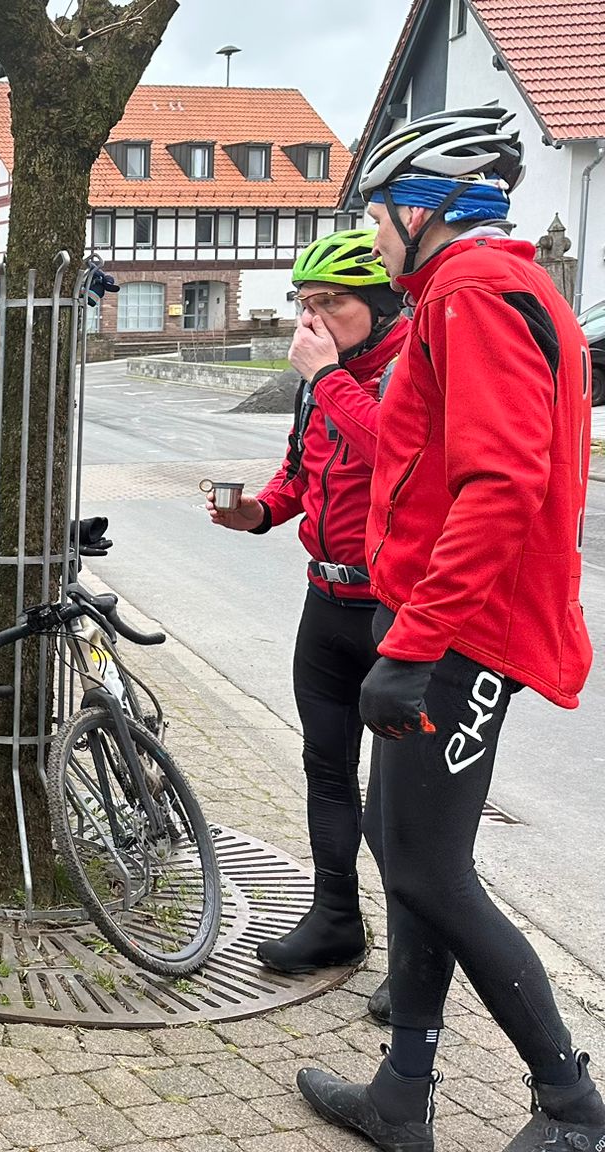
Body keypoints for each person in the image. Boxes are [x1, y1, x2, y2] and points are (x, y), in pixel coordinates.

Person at [296, 105, 605, 1152]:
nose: (370, 236)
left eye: (377, 213)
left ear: (425, 208)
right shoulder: (479, 291)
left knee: (428, 868)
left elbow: (500, 485)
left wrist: (413, 643)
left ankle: (571, 1105)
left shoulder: (472, 293)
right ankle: (402, 1093)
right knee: (405, 852)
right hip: (443, 619)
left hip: (461, 630)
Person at [207, 229, 404, 1022]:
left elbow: (397, 455)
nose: (312, 320)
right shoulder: (318, 384)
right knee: (326, 769)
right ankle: (335, 919)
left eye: (332, 303)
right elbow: (301, 471)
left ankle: (418, 958)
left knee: (401, 802)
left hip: (395, 612)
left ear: (380, 306)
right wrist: (259, 511)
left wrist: (327, 376)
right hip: (326, 603)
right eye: (305, 304)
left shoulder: (408, 370)